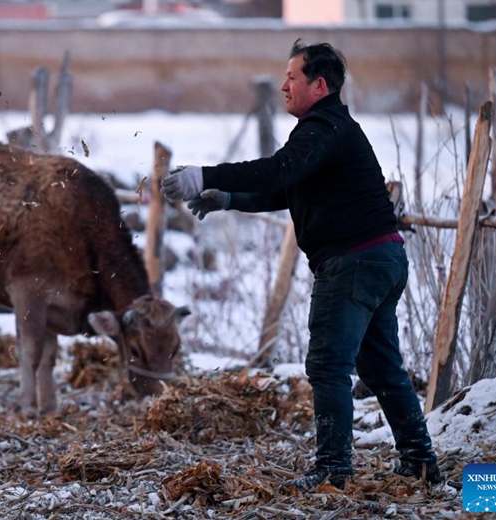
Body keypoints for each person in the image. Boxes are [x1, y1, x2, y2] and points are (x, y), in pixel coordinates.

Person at [161, 39, 442, 491]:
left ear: (320, 84)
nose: (283, 85)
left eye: (292, 77)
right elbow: (285, 189)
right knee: (381, 368)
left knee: (329, 366)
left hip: (353, 262)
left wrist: (206, 174)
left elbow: (276, 170)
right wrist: (227, 198)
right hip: (381, 258)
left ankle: (333, 469)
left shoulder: (322, 129)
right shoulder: (328, 131)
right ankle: (421, 463)